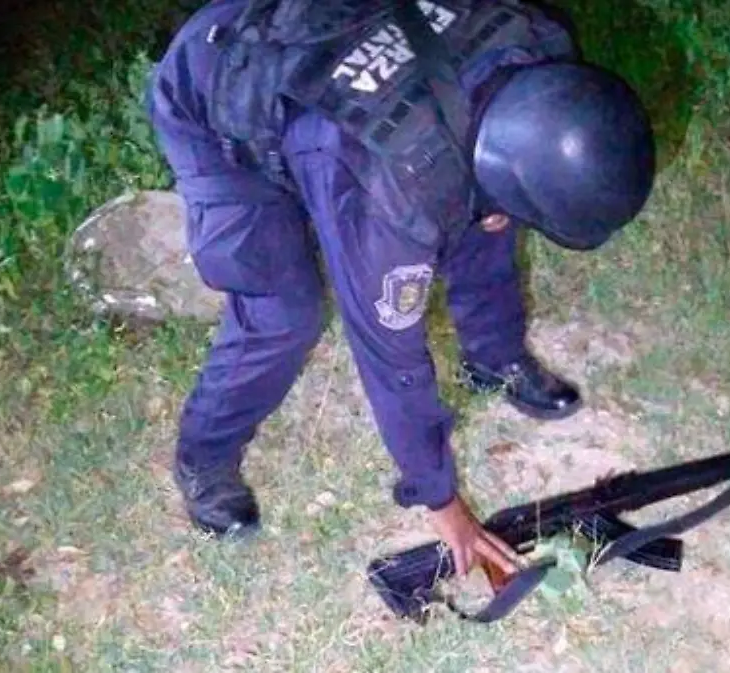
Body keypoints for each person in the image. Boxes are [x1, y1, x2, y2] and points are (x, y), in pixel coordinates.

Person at [146, 0, 655, 580]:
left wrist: (493, 202)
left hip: (353, 65)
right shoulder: (386, 180)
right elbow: (390, 356)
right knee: (283, 313)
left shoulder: (538, 42)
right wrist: (441, 500)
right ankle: (203, 459)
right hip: (219, 78)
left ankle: (495, 359)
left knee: (484, 216)